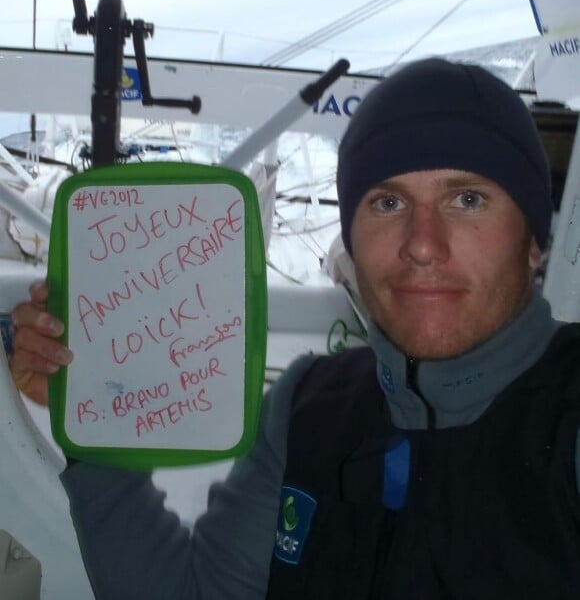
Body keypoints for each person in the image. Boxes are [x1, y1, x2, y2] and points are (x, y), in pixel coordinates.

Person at [9, 57, 580, 599]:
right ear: (352, 239)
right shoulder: (309, 407)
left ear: (534, 240)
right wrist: (102, 424)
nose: (422, 244)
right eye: (387, 203)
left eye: (468, 198)